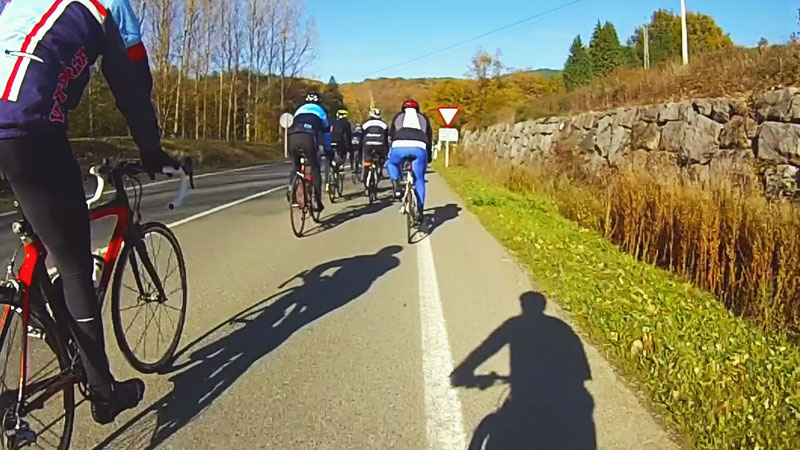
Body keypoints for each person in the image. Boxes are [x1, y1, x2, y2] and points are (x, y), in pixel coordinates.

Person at [0, 0, 179, 424]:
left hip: (19, 128)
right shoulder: (108, 6)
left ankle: (41, 307)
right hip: (28, 128)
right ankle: (104, 392)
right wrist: (150, 148)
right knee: (76, 264)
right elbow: (131, 82)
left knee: (42, 224)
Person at [387, 99, 432, 224]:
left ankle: (396, 186)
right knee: (419, 180)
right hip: (419, 146)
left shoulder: (398, 117)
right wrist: (429, 157)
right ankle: (420, 210)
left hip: (399, 144)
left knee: (391, 163)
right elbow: (429, 137)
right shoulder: (423, 118)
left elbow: (391, 135)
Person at [287, 92, 331, 211]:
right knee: (315, 167)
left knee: (295, 165)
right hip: (308, 137)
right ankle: (316, 200)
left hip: (292, 136)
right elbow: (326, 132)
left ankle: (292, 190)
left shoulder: (299, 110)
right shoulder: (321, 111)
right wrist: (327, 148)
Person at [360, 108, 389, 193]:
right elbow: (386, 139)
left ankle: (366, 185)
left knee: (367, 164)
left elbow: (362, 137)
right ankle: (379, 169)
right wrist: (386, 151)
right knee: (381, 158)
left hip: (368, 145)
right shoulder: (384, 125)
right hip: (380, 145)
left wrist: (360, 150)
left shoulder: (365, 124)